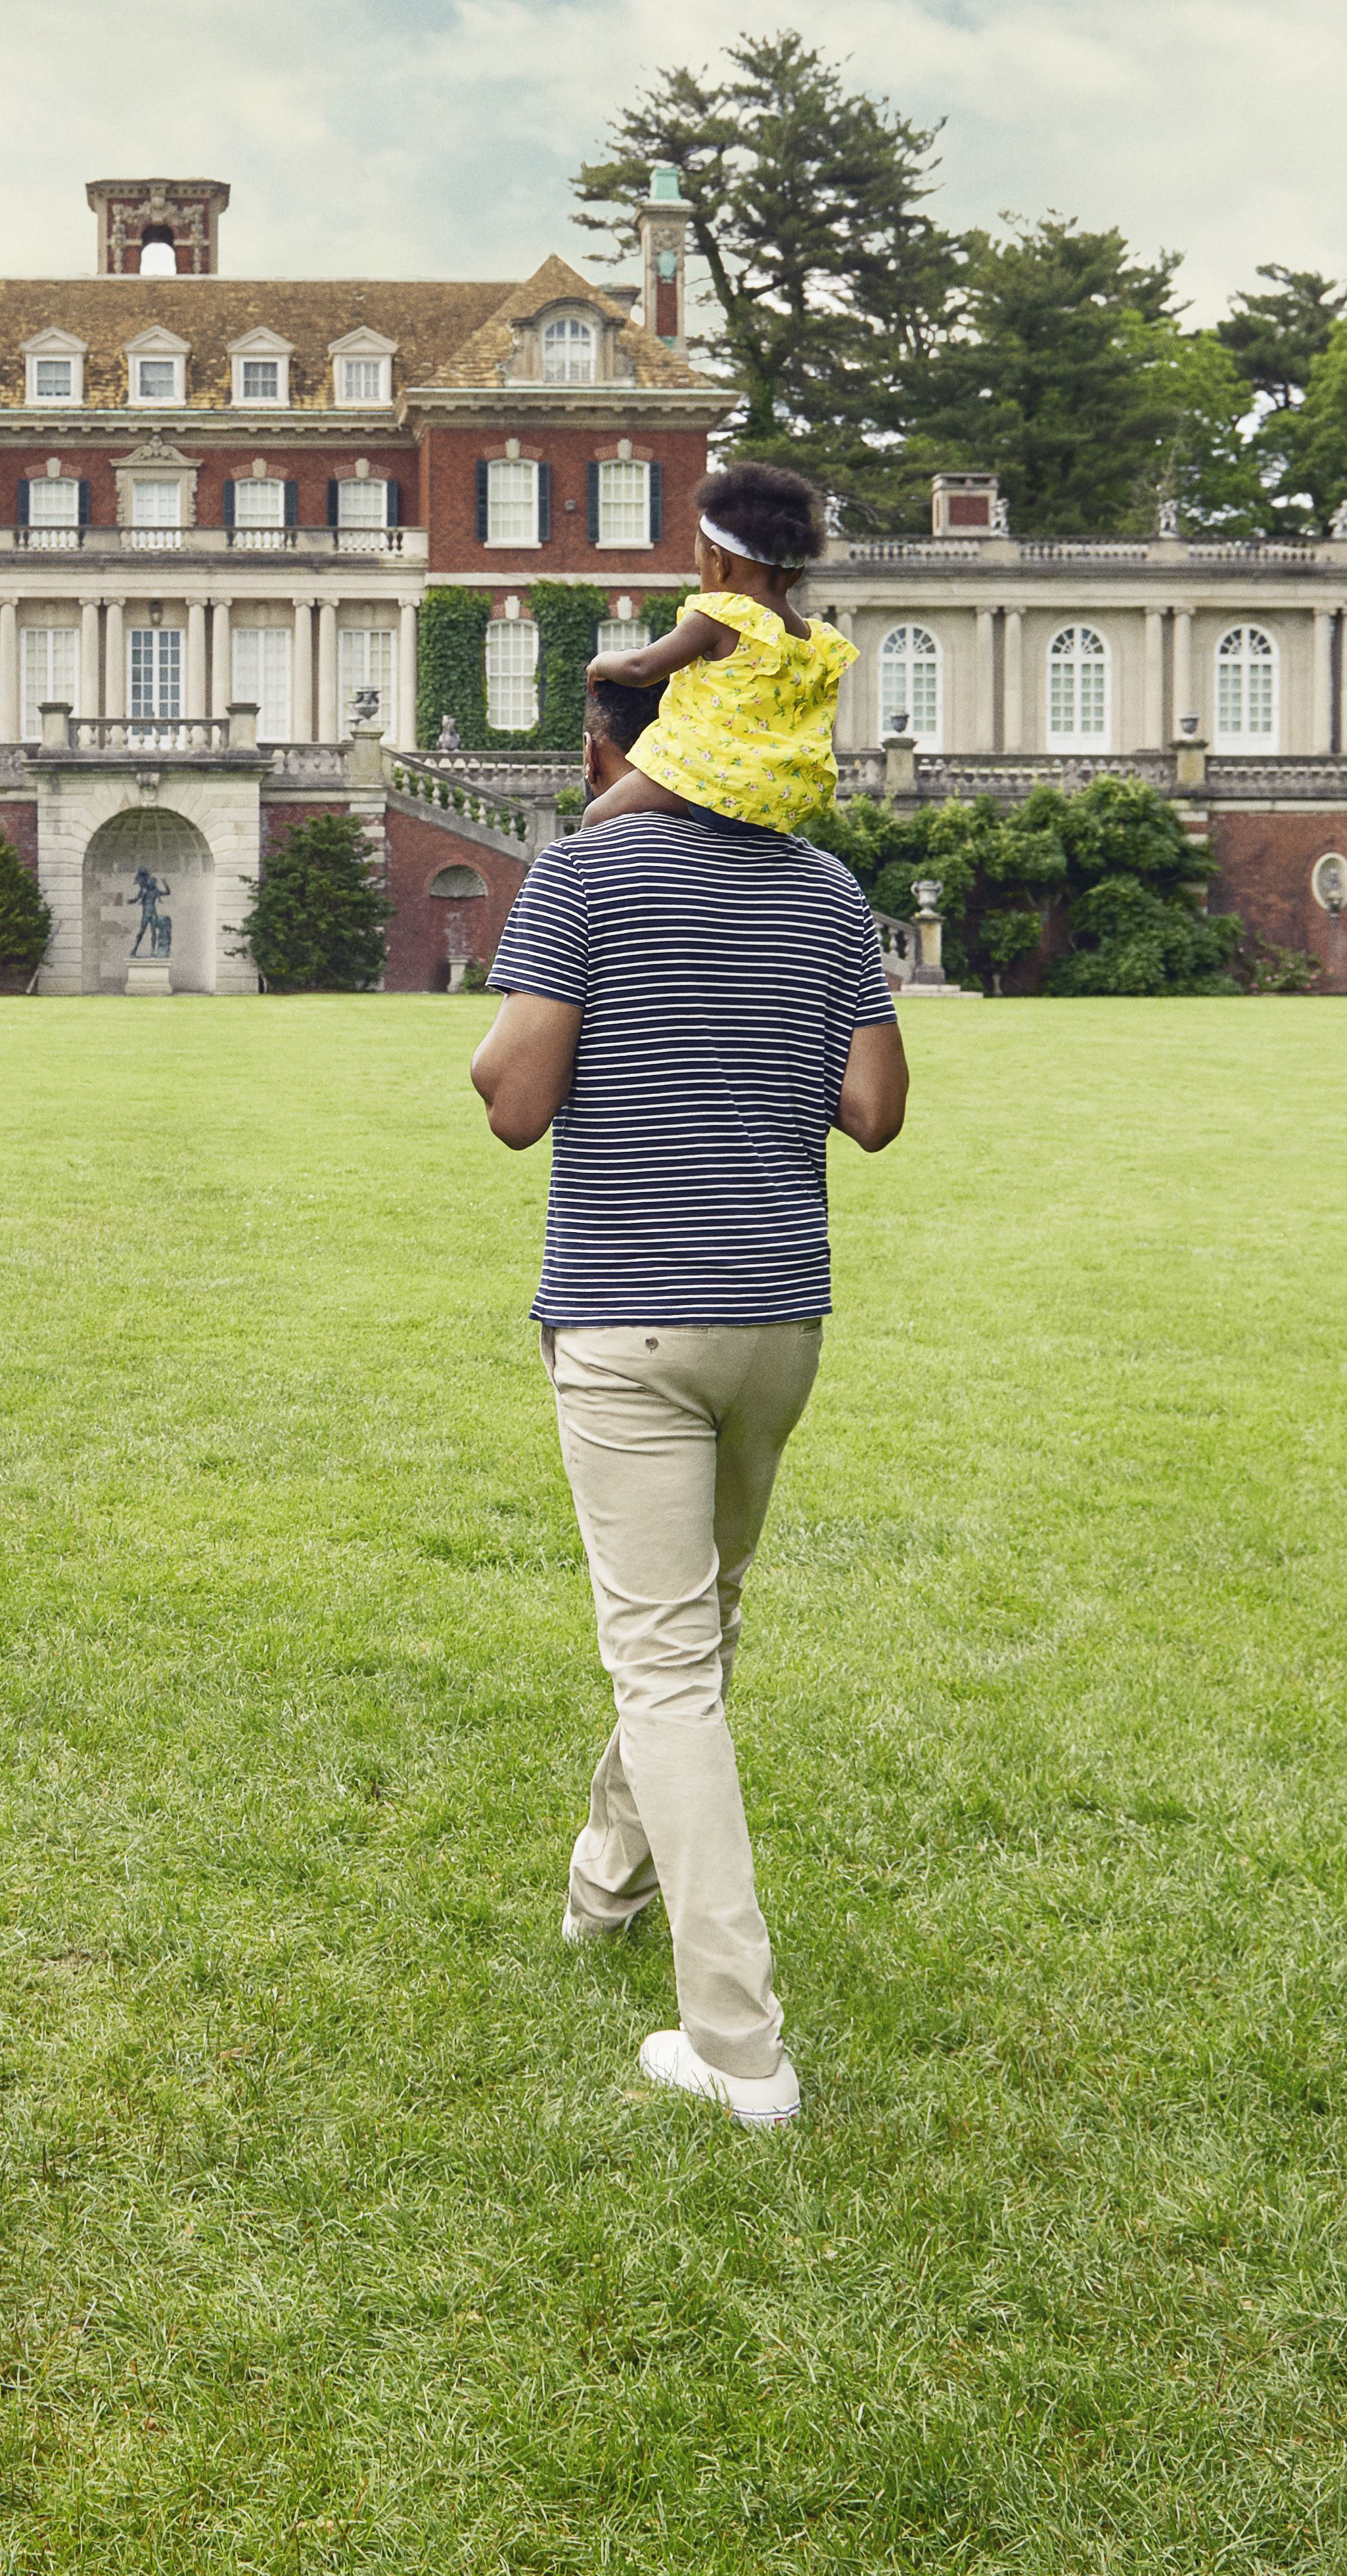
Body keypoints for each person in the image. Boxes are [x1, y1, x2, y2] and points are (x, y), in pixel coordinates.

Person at [468, 671, 908, 2127]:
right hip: (777, 1315)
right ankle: (602, 1886)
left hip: (630, 1312)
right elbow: (874, 1108)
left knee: (662, 1664)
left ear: (608, 748)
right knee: (694, 1625)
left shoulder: (582, 873)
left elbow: (513, 1102)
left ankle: (735, 2046)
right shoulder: (828, 888)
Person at [578, 461, 854, 831]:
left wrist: (600, 663)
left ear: (720, 564)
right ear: (796, 572)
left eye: (700, 567)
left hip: (709, 778)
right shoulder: (812, 640)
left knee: (596, 817)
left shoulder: (722, 617)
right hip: (779, 798)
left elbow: (640, 668)